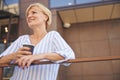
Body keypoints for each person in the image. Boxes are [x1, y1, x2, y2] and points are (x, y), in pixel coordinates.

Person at [0, 3, 75, 80]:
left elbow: (69, 55)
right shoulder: (22, 39)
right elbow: (1, 61)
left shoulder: (53, 36)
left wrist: (40, 56)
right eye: (27, 15)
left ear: (45, 17)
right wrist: (13, 55)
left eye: (34, 12)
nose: (29, 16)